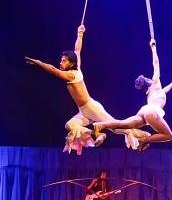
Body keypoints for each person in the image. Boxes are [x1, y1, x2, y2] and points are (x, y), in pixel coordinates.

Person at [25, 25, 144, 154]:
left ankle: (141, 136)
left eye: (64, 61)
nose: (60, 63)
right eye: (61, 60)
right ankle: (97, 134)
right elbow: (77, 50)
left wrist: (38, 62)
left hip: (92, 108)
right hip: (83, 111)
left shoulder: (72, 74)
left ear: (71, 63)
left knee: (115, 127)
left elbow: (53, 70)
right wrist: (80, 34)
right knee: (70, 125)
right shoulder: (77, 68)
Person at [92, 37, 172, 150]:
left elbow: (166, 90)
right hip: (151, 112)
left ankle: (100, 126)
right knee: (168, 135)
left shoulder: (152, 92)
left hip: (144, 111)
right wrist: (153, 48)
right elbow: (156, 64)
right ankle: (143, 140)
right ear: (148, 82)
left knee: (123, 124)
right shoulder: (155, 83)